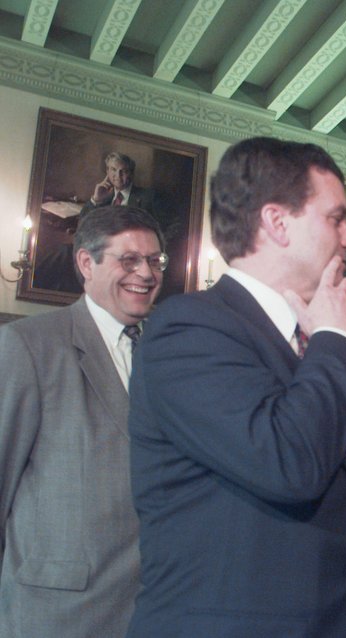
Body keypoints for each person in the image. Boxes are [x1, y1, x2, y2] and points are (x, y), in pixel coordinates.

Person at [125, 137, 346, 637]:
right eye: (335, 219)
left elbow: (344, 511)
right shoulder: (188, 328)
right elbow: (288, 463)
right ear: (276, 222)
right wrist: (335, 336)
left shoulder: (315, 346)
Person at [0, 205, 166, 637]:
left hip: (154, 608)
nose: (145, 273)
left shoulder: (168, 356)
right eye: (128, 260)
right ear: (85, 263)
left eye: (154, 261)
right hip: (57, 612)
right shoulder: (28, 346)